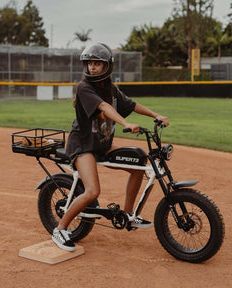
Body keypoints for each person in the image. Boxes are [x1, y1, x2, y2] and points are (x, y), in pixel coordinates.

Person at [52, 43, 169, 251]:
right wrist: (125, 124)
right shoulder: (84, 88)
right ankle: (60, 229)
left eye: (97, 63)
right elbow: (104, 108)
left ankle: (128, 214)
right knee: (92, 191)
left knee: (139, 162)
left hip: (102, 144)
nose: (92, 68)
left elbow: (132, 105)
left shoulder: (112, 90)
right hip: (83, 146)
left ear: (107, 66)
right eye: (89, 64)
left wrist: (156, 115)